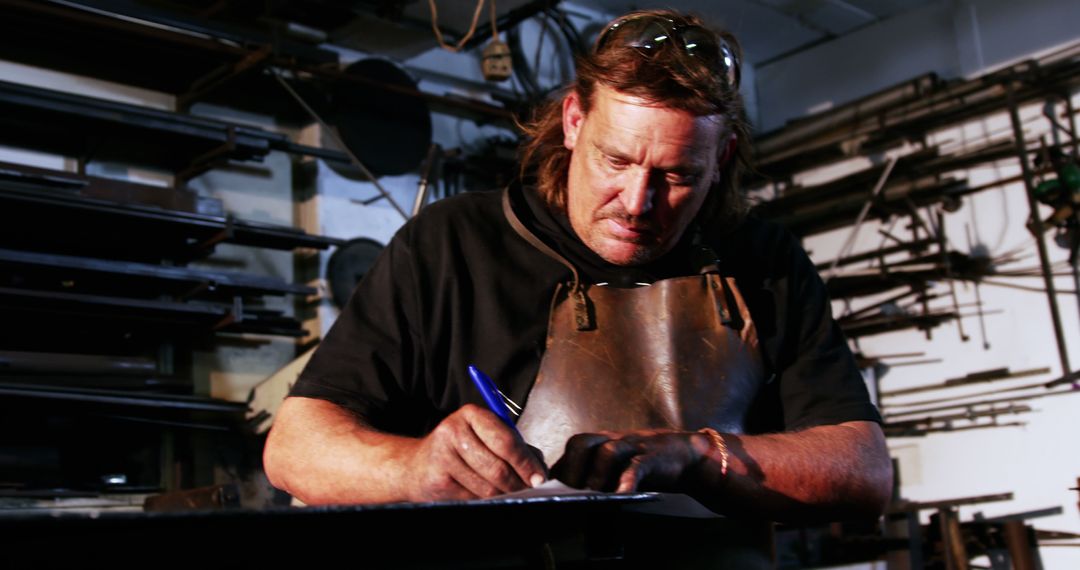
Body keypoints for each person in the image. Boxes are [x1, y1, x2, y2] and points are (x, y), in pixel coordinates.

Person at [264, 9, 892, 524]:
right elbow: (294, 449)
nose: (639, 203)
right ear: (573, 121)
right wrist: (412, 467)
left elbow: (863, 471)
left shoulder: (763, 262)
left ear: (722, 157)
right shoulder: (451, 244)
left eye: (677, 176)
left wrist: (699, 455)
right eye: (616, 161)